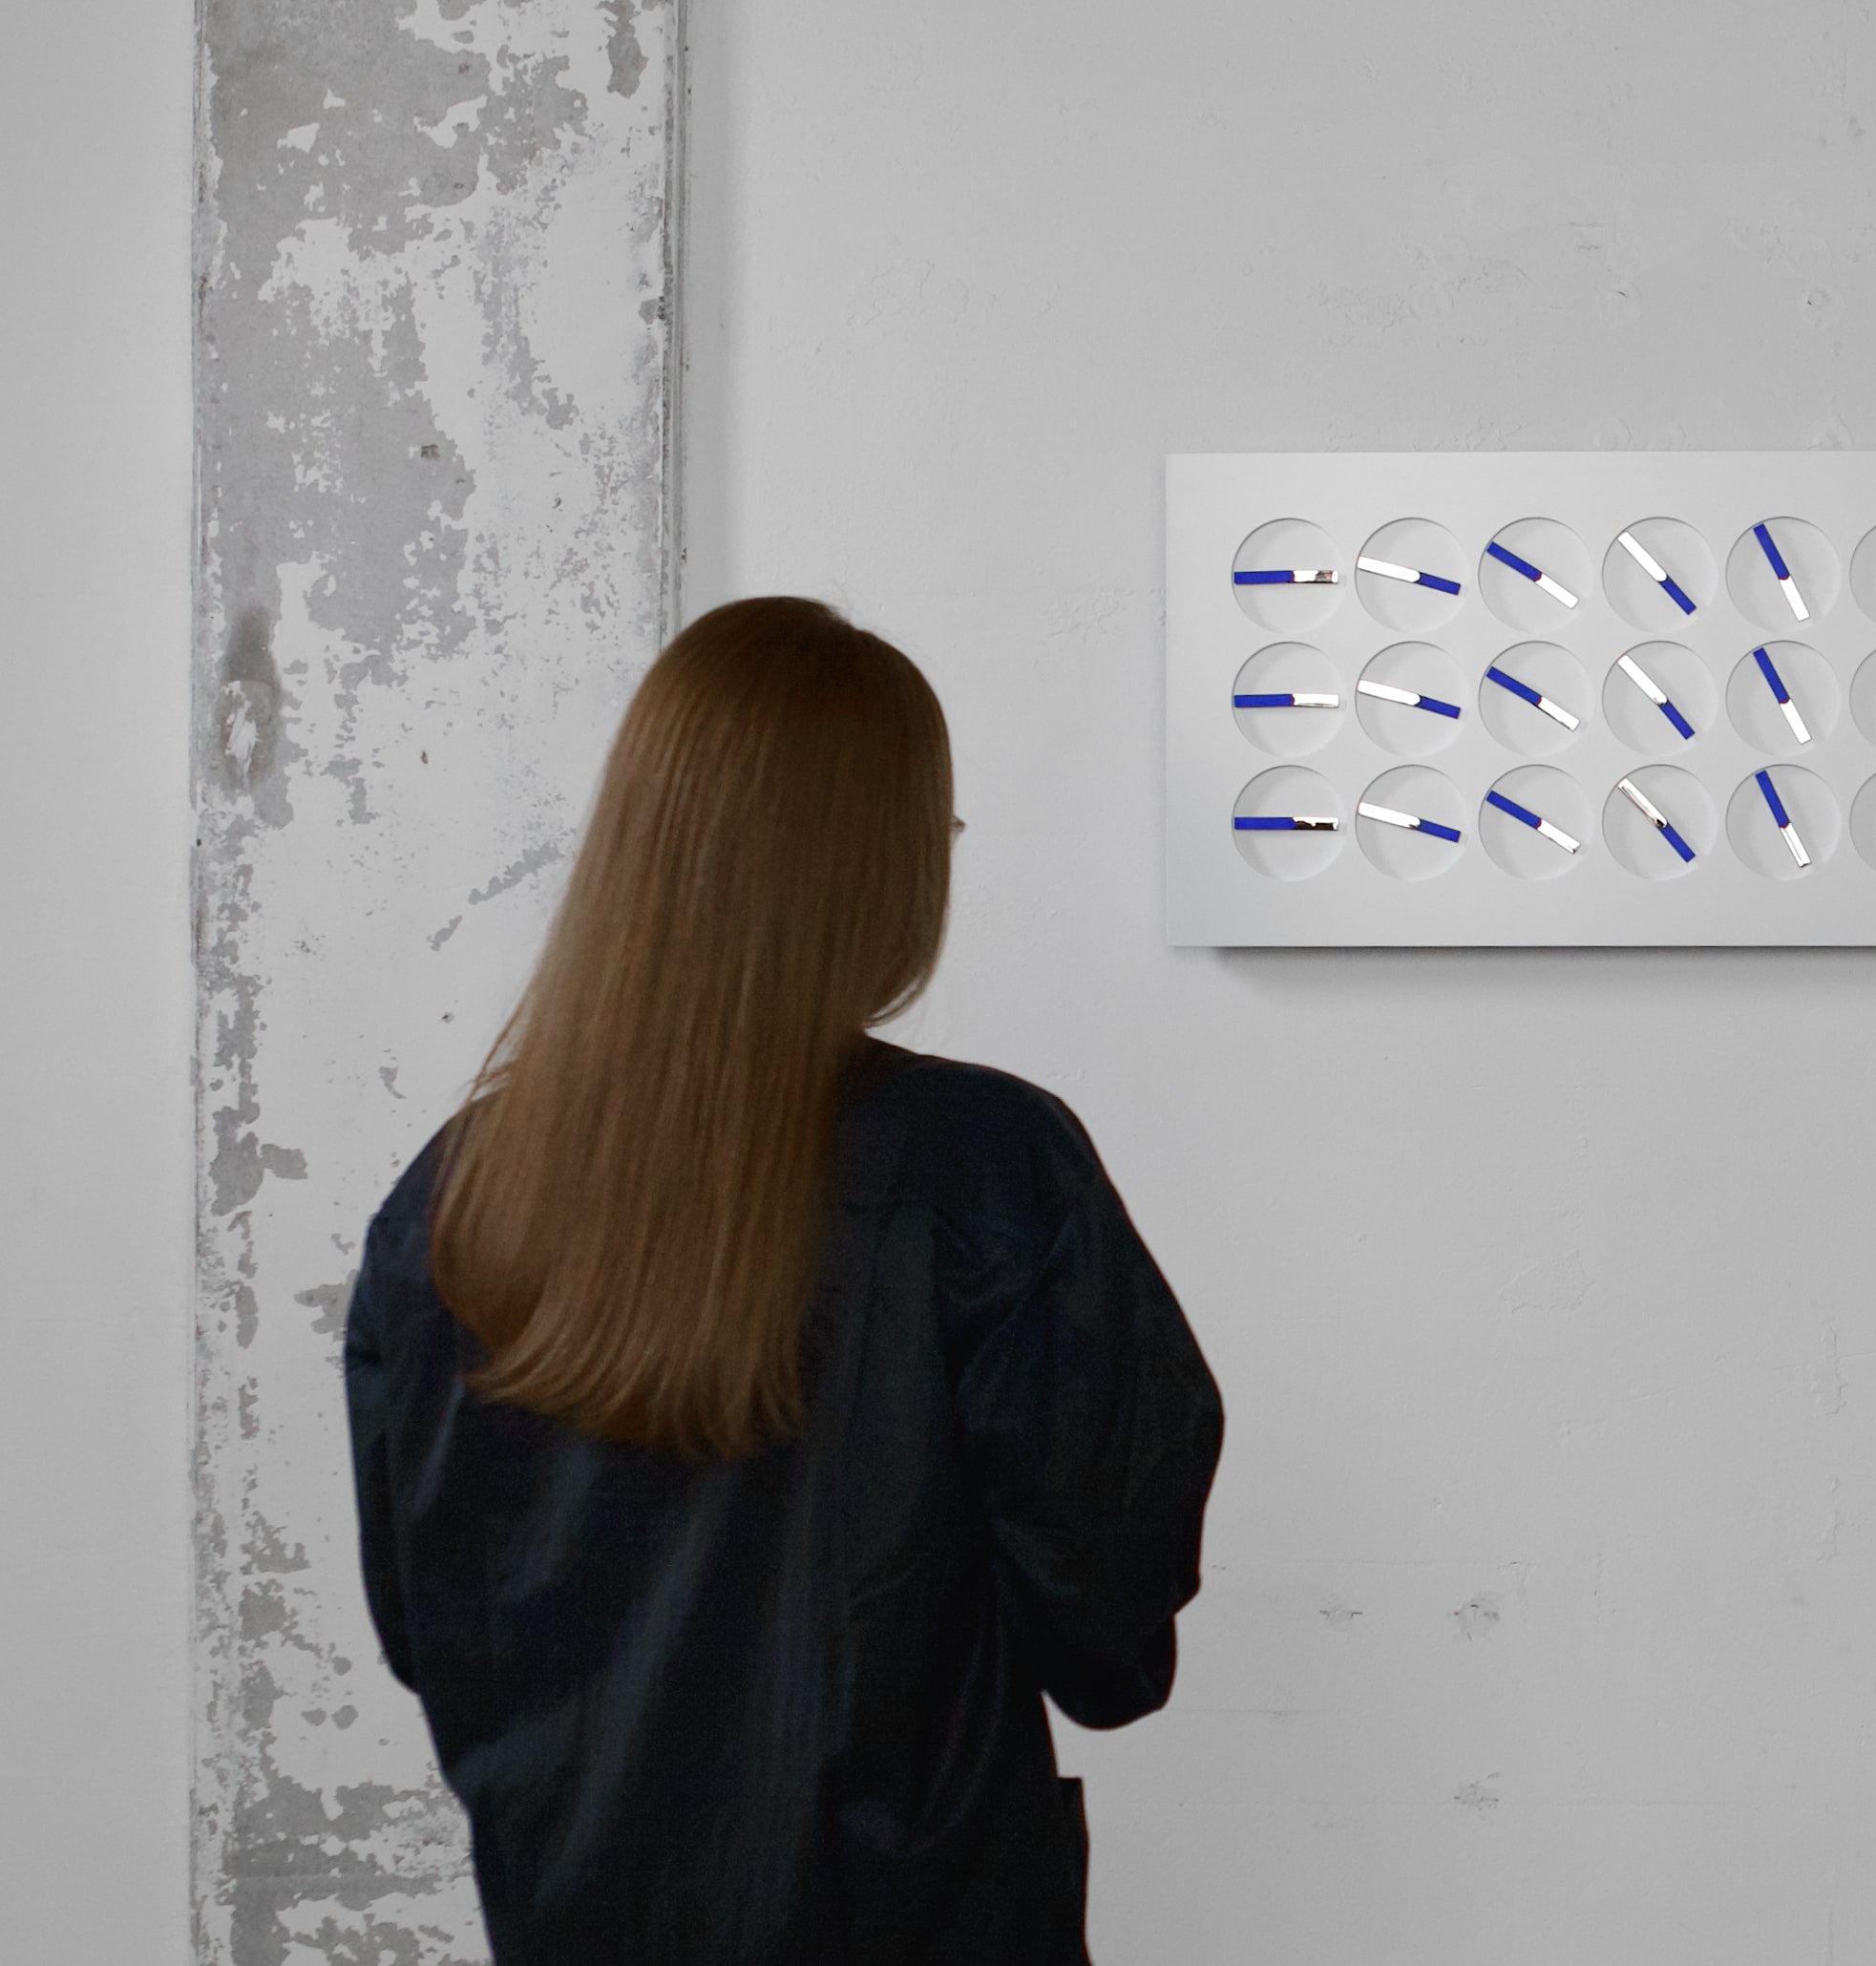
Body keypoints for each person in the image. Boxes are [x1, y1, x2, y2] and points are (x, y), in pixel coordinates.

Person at [343, 597, 1224, 1964]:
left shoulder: (459, 1200)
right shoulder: (984, 1173)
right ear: (879, 868)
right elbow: (1108, 1637)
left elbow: (432, 1627)